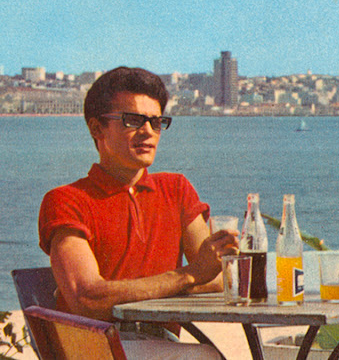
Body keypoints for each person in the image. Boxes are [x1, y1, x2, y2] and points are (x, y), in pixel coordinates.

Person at [38, 67, 237, 355]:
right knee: (205, 357)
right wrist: (187, 276)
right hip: (95, 348)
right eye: (132, 120)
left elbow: (215, 278)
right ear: (97, 129)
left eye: (156, 122)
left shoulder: (176, 189)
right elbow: (87, 298)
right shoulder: (66, 200)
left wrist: (180, 278)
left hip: (160, 343)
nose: (148, 132)